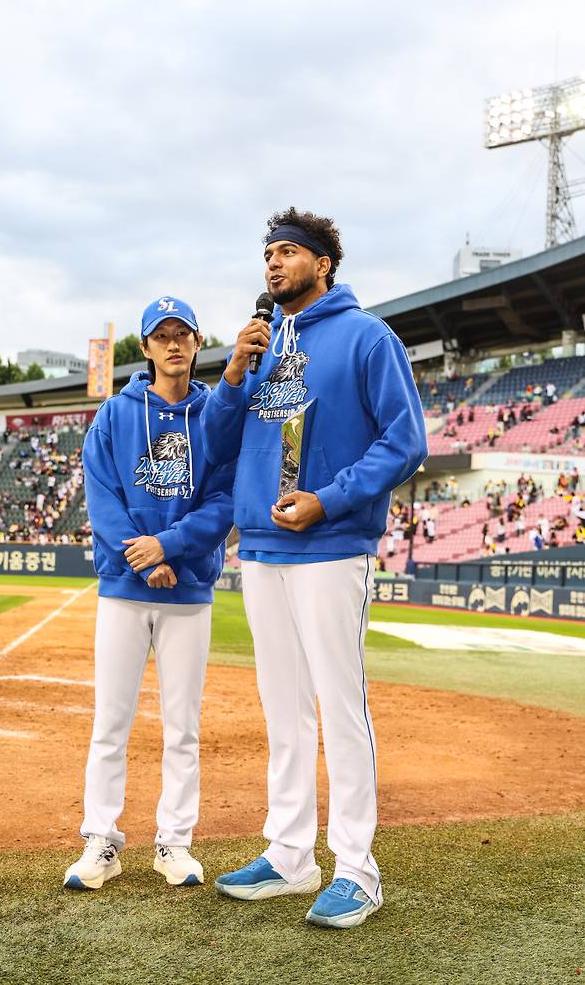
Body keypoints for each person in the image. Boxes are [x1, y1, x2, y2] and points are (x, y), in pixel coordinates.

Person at [201, 207, 427, 929]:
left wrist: (329, 500)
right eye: (268, 253)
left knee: (340, 706)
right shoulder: (263, 347)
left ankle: (358, 870)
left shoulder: (367, 336)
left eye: (289, 251)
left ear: (323, 262)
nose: (274, 263)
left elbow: (406, 439)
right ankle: (291, 854)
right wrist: (234, 372)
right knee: (284, 710)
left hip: (330, 546)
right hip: (262, 549)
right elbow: (214, 443)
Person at [63, 297, 234, 892]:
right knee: (111, 720)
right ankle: (101, 840)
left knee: (182, 726)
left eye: (182, 334)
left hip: (186, 591)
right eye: (161, 336)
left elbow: (224, 501)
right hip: (126, 590)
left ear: (196, 340)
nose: (173, 345)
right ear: (146, 347)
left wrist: (168, 547)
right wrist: (144, 557)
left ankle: (175, 843)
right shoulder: (113, 414)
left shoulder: (215, 413)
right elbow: (103, 497)